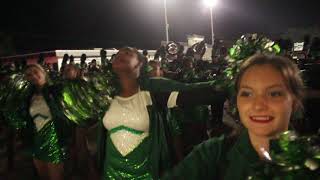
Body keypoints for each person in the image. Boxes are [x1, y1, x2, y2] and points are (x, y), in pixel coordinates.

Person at [163, 54, 304, 179]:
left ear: (295, 102)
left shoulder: (310, 159)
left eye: (274, 94)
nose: (258, 105)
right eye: (247, 94)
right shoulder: (212, 155)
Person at [96, 47, 227, 179]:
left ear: (140, 64)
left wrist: (230, 84)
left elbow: (192, 92)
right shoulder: (105, 94)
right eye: (118, 53)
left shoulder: (153, 91)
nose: (121, 54)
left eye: (128, 53)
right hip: (110, 175)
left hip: (146, 175)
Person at [23, 64, 69, 180]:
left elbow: (65, 114)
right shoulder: (29, 96)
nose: (33, 75)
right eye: (29, 74)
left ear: (43, 72)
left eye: (35, 71)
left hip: (53, 139)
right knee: (42, 175)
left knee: (55, 176)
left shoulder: (56, 90)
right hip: (36, 139)